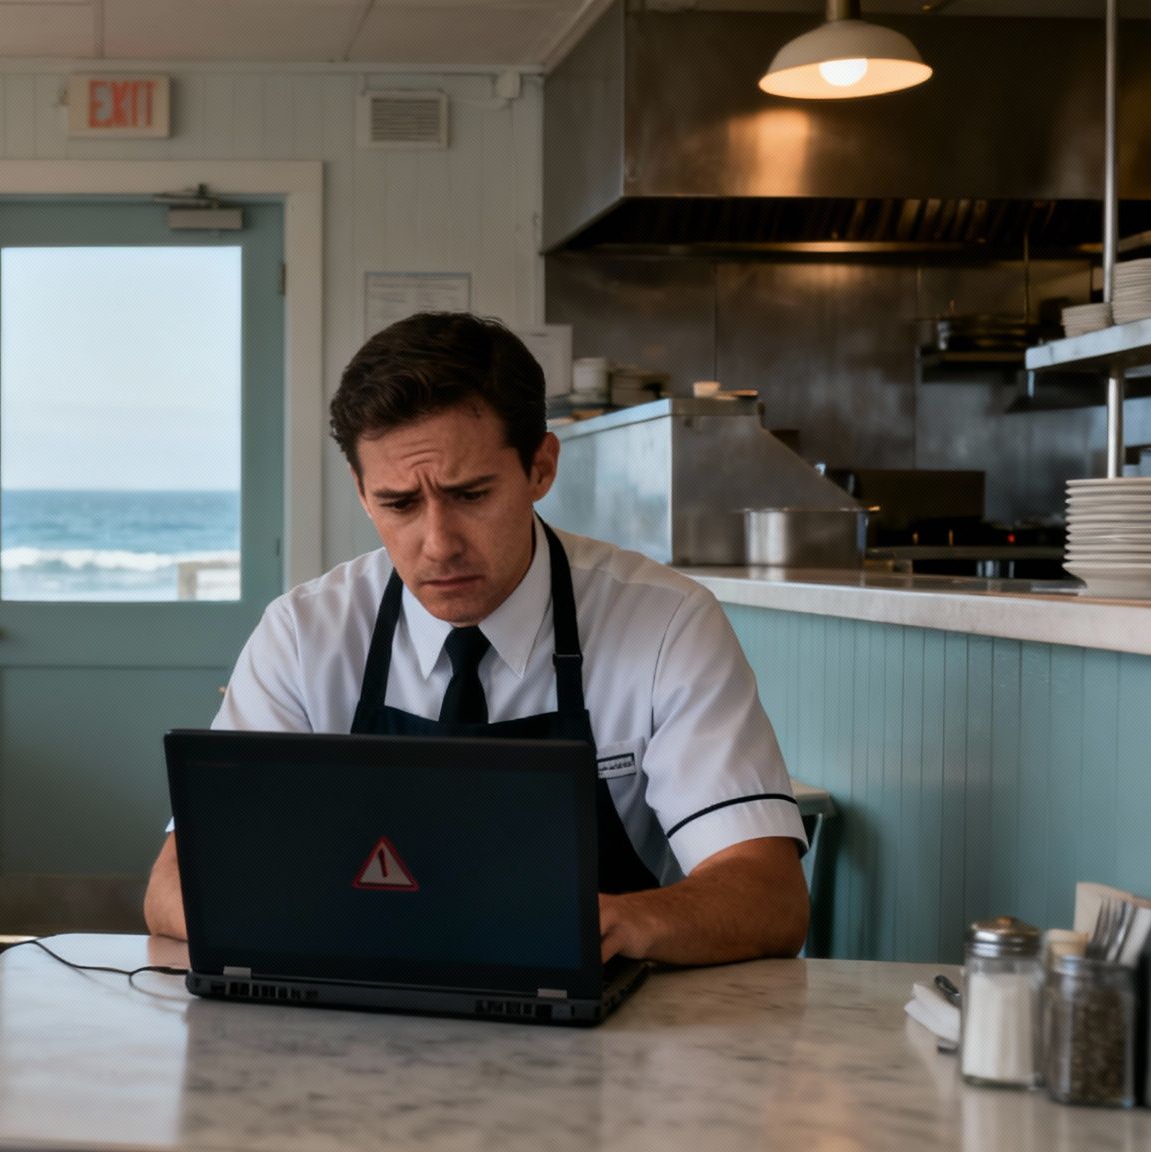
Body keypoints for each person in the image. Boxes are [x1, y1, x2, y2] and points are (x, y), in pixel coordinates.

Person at [143, 311, 808, 966]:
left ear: (541, 468)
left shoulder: (665, 624)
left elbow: (769, 897)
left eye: (471, 495)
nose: (439, 545)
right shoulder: (304, 635)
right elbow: (175, 886)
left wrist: (617, 919)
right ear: (362, 492)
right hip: (355, 1025)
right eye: (399, 504)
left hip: (605, 1038)